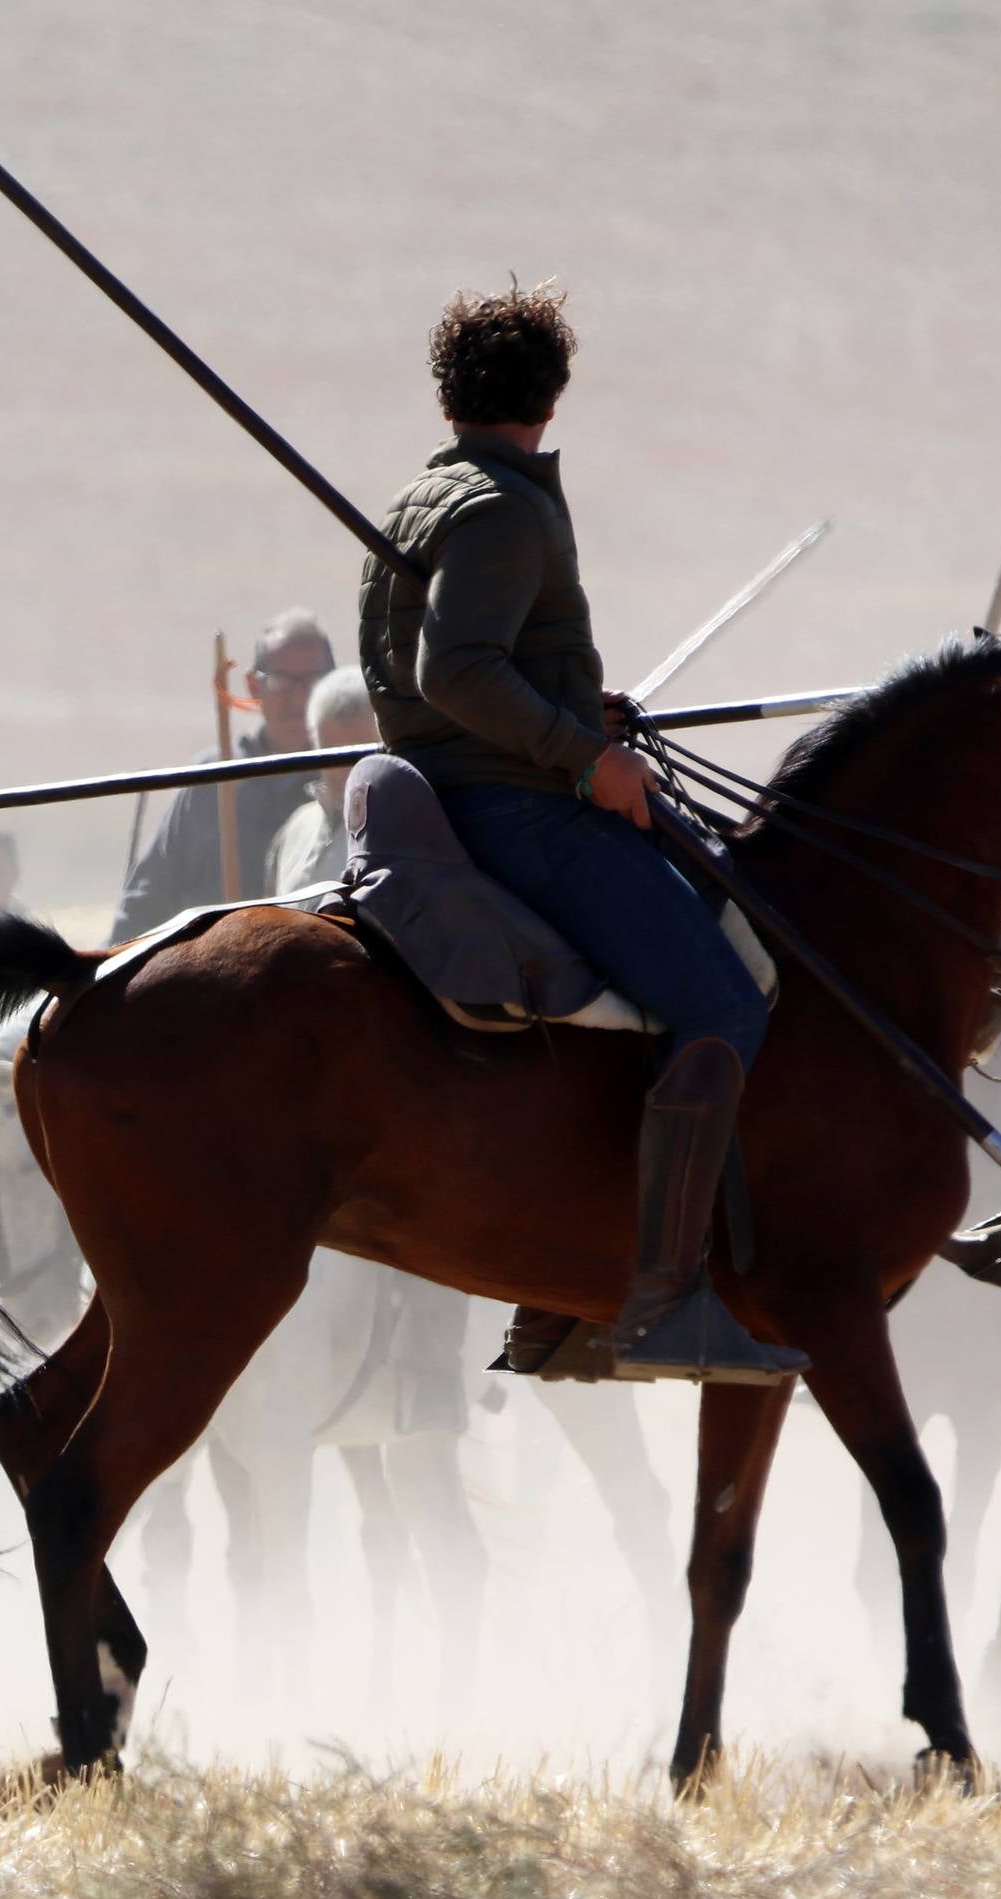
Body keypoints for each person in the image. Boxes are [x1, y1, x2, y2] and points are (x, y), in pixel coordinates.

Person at [356, 283, 799, 1383]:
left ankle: (561, 1302)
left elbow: (454, 669)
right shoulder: (503, 509)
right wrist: (583, 757)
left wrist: (568, 707)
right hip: (518, 810)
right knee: (721, 1004)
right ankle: (656, 1301)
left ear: (450, 390)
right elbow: (453, 670)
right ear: (552, 396)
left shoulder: (421, 498)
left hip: (471, 788)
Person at [109, 611, 333, 940]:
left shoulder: (346, 782)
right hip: (210, 971)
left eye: (312, 682)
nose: (298, 698)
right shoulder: (210, 781)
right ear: (254, 685)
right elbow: (147, 900)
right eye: (283, 681)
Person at [266, 669, 380, 892]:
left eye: (355, 756)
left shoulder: (397, 835)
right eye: (330, 752)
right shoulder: (296, 829)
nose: (341, 771)